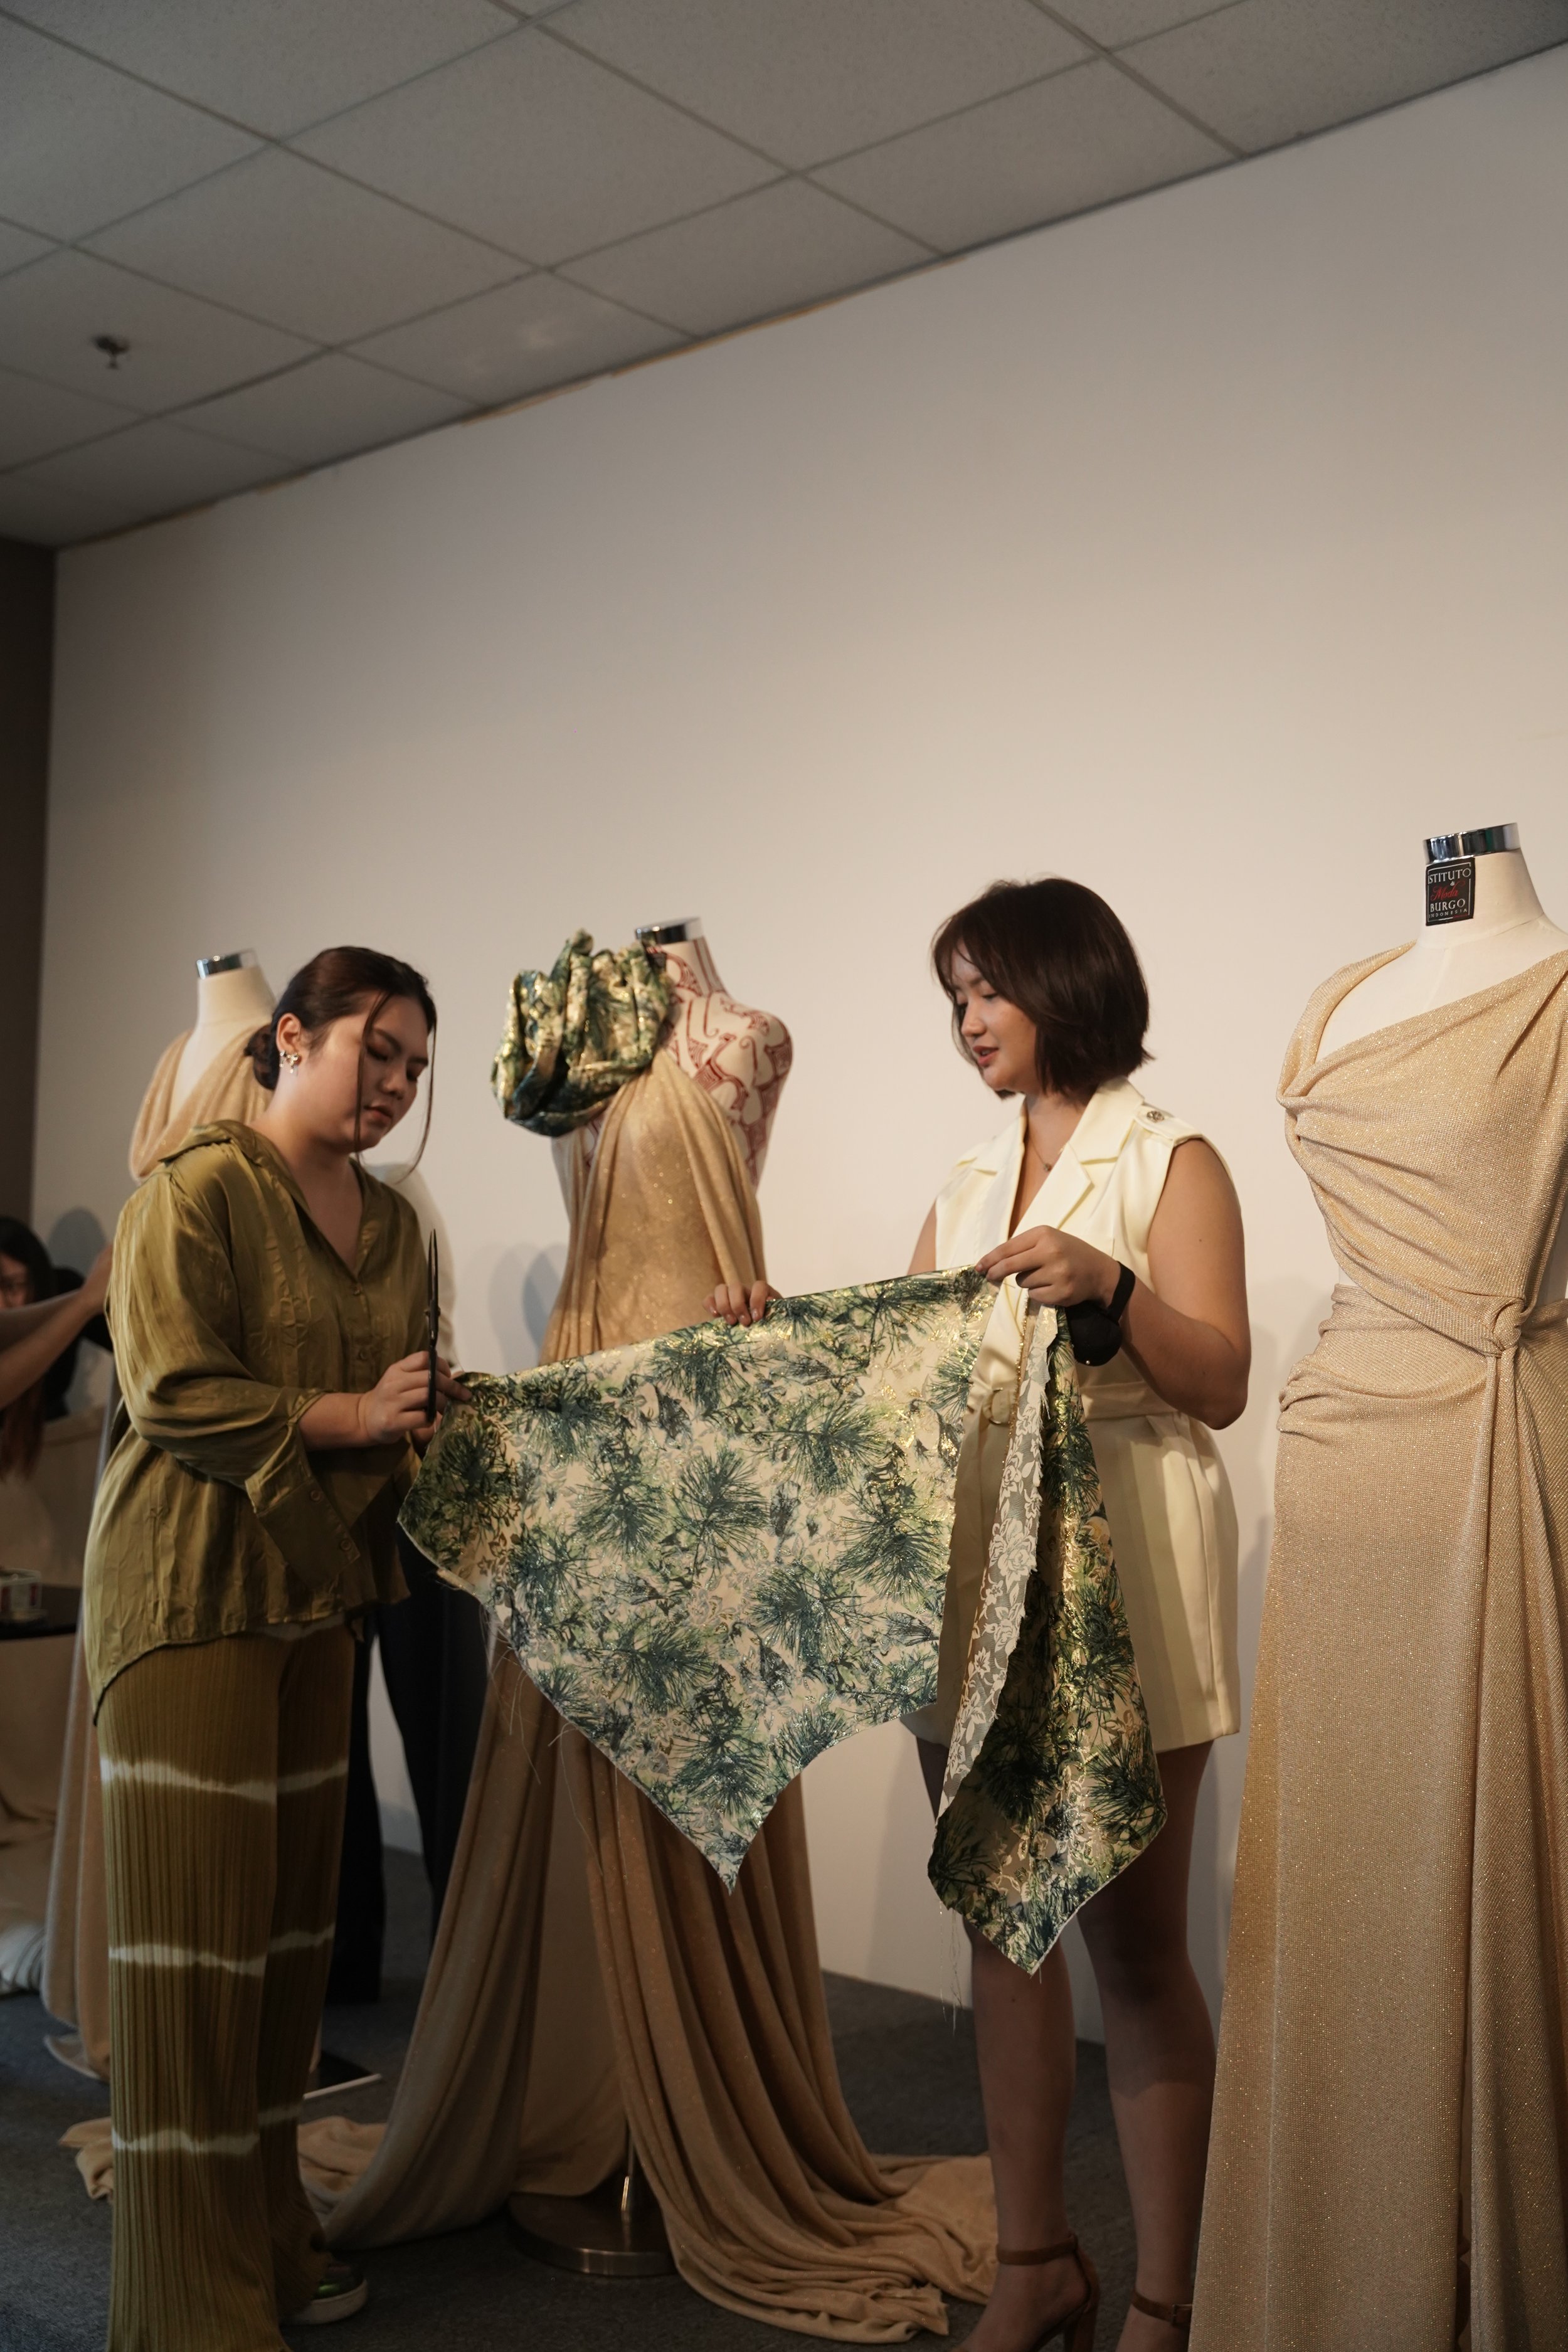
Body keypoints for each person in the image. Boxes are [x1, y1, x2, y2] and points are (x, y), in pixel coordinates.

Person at [711, 877, 1249, 2352]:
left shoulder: (1170, 1156)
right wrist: (779, 1332)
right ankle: (1034, 2262)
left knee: (1134, 1951)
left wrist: (1109, 1283)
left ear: (1064, 983)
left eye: (986, 990)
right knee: (1003, 1933)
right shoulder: (963, 1180)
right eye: (953, 996)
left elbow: (1216, 1379)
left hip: (1130, 1566)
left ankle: (1166, 2298)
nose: (966, 1020)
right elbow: (896, 1378)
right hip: (978, 1575)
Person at [83, 945, 466, 2349]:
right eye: (376, 1049)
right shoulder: (190, 1192)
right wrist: (354, 1416)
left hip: (318, 1597)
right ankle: (187, 2303)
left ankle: (261, 2237)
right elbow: (174, 1391)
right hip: (185, 1595)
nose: (395, 1082)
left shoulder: (397, 1224)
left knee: (286, 1959)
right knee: (191, 1971)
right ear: (291, 1037)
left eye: (413, 1065)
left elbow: (395, 1395)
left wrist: (430, 1411)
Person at [0, 1231, 112, 1420]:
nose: (3, 1302)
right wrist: (83, 1302)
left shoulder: (62, 1286)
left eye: (14, 1286)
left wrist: (84, 1299)